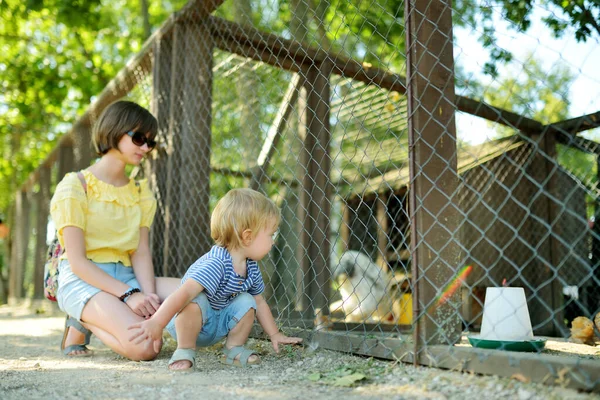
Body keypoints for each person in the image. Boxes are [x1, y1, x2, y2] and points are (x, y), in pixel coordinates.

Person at [50, 100, 180, 359]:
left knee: (194, 296)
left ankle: (111, 312)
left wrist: (149, 296)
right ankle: (82, 319)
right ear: (114, 130)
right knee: (146, 348)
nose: (145, 147)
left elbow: (140, 252)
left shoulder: (141, 193)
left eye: (150, 142)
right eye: (139, 138)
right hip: (84, 279)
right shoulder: (74, 187)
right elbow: (77, 262)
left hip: (128, 276)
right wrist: (129, 295)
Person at [127, 188, 303, 370]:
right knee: (195, 297)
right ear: (248, 236)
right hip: (188, 324)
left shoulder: (251, 267)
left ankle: (233, 349)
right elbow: (183, 294)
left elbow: (260, 302)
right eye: (271, 234)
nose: (273, 241)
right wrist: (157, 322)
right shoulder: (216, 263)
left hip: (217, 323)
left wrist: (275, 334)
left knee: (248, 300)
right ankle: (185, 349)